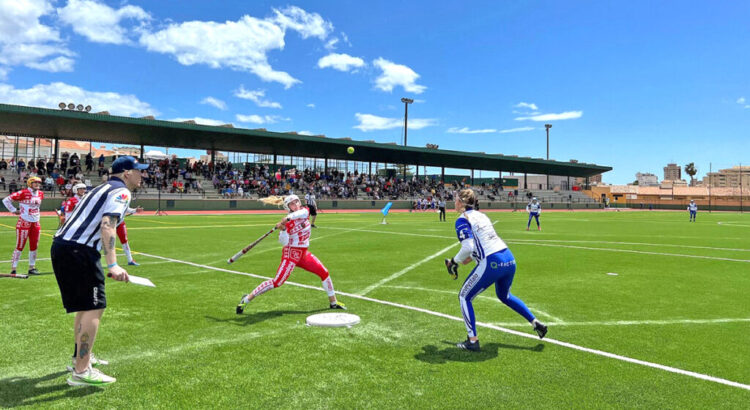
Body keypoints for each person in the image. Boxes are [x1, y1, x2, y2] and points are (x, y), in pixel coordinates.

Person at [52, 155, 147, 386]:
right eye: (138, 171)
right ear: (126, 173)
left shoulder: (100, 188)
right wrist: (113, 264)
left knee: (85, 307)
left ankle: (79, 359)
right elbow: (108, 225)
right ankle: (82, 371)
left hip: (63, 247)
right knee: (95, 306)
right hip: (80, 251)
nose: (142, 175)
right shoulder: (121, 192)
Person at [444, 189, 547, 352]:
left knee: (464, 296)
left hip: (492, 262)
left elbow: (468, 246)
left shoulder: (462, 219)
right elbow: (482, 241)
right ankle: (536, 323)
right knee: (504, 296)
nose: (454, 202)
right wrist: (468, 258)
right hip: (508, 257)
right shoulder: (482, 215)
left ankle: (472, 340)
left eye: (456, 199)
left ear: (462, 203)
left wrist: (454, 261)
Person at [236, 194, 345, 314]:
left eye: (297, 201)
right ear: (288, 207)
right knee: (277, 282)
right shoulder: (288, 222)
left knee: (324, 272)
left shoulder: (304, 211)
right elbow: (284, 242)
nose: (296, 204)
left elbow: (299, 214)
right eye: (292, 204)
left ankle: (333, 303)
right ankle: (246, 299)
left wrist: (287, 218)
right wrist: (283, 229)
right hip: (291, 254)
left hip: (303, 254)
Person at [2, 176, 44, 275]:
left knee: (34, 246)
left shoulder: (41, 194)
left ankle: (31, 268)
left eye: (39, 183)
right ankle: (13, 268)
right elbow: (6, 200)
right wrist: (13, 210)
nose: (38, 184)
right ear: (30, 183)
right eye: (35, 182)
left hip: (36, 223)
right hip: (24, 223)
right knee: (20, 246)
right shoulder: (23, 192)